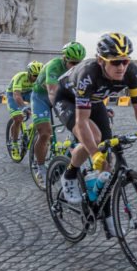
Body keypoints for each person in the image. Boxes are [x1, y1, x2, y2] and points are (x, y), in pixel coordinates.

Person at [55, 33, 137, 236]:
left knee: (106, 164)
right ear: (101, 60)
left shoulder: (131, 72)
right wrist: (93, 153)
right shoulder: (88, 74)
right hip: (67, 99)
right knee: (95, 139)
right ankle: (70, 173)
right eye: (115, 62)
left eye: (125, 61)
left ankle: (107, 217)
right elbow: (81, 123)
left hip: (95, 101)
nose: (121, 67)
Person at [28, 42, 86, 184]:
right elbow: (53, 92)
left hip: (62, 95)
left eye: (78, 64)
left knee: (81, 126)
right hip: (41, 97)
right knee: (45, 133)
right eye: (72, 63)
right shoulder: (54, 65)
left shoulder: (80, 69)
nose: (75, 67)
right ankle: (40, 167)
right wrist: (64, 113)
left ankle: (71, 160)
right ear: (65, 59)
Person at [6, 60, 42, 159]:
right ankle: (14, 144)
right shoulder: (20, 77)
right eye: (35, 75)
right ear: (29, 73)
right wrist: (24, 107)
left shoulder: (40, 79)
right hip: (13, 94)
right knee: (18, 118)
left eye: (39, 75)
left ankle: (30, 129)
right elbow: (17, 95)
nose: (36, 78)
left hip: (28, 93)